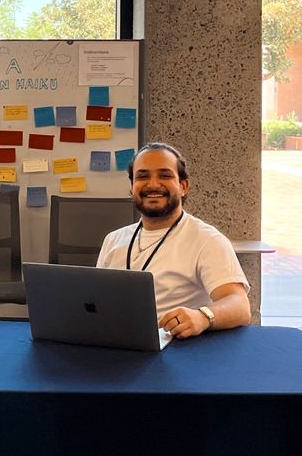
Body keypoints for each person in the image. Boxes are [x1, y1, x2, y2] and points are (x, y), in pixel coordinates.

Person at [95, 142, 251, 338]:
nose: (152, 184)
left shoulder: (207, 240)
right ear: (132, 187)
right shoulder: (113, 239)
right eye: (142, 176)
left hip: (173, 348)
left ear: (183, 186)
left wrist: (202, 317)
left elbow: (239, 305)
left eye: (165, 175)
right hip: (114, 343)